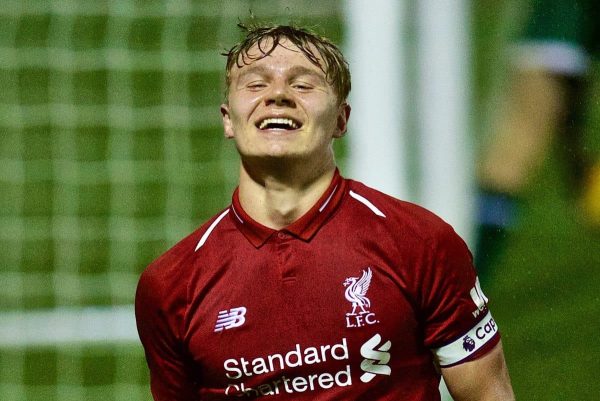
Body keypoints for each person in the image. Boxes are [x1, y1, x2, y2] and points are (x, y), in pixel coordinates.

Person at [135, 23, 515, 400]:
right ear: (227, 119)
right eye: (255, 84)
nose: (278, 94)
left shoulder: (419, 243)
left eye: (303, 84)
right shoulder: (171, 285)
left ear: (341, 120)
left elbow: (487, 393)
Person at [475, 0, 600, 280]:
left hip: (567, 34)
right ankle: (462, 284)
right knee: (511, 155)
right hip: (561, 30)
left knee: (511, 155)